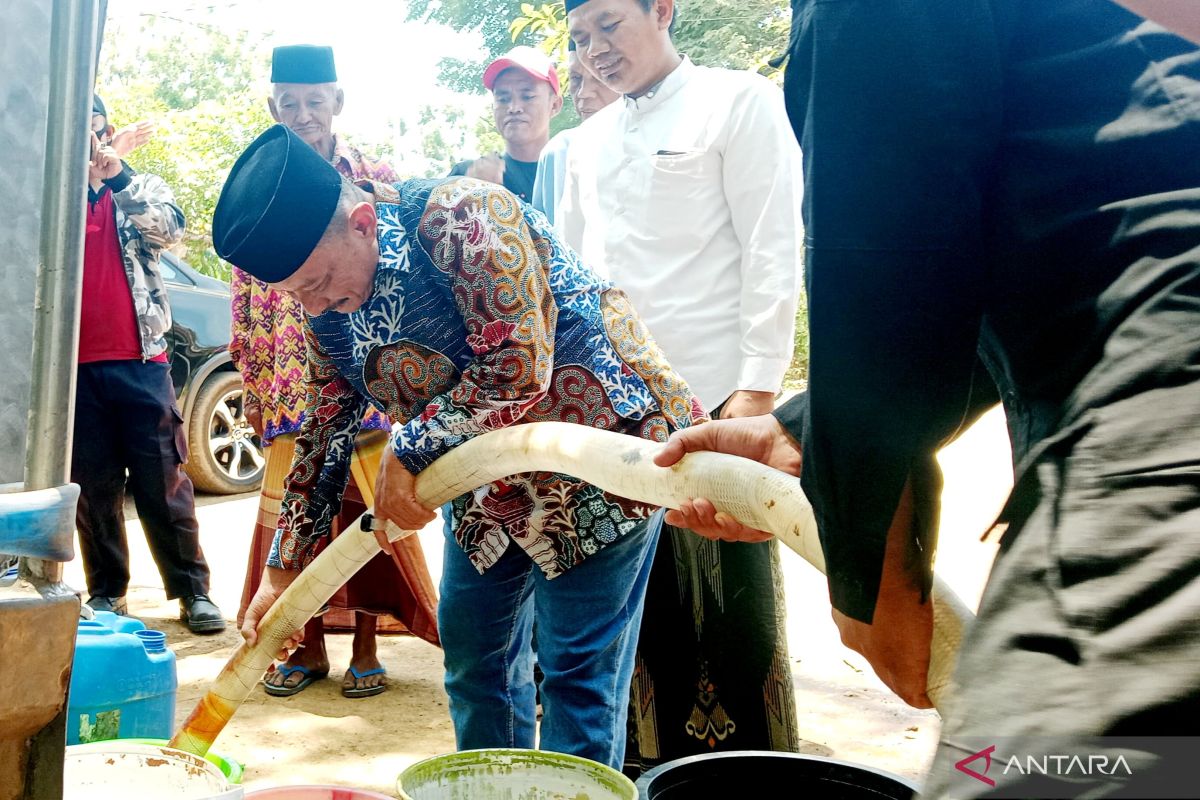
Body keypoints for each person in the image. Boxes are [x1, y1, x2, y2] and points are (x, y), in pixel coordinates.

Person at [657, 2, 1200, 796]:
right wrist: (803, 432)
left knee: (1026, 774)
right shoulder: (1101, 62)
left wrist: (871, 571)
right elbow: (1030, 273)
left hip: (1160, 429)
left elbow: (890, 268)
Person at [220, 124, 705, 770]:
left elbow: (518, 365)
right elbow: (325, 432)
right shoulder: (322, 312)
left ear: (363, 222)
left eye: (320, 279)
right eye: (298, 295)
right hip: (477, 483)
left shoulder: (461, 218)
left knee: (575, 682)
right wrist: (284, 572)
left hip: (593, 451)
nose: (317, 304)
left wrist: (409, 448)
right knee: (478, 666)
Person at [561, 0, 804, 773]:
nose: (595, 49)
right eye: (579, 37)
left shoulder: (740, 103)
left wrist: (757, 394)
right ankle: (645, 778)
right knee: (637, 629)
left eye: (608, 24)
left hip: (718, 413)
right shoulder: (581, 144)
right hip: (617, 430)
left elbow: (773, 247)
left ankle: (755, 779)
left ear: (661, 9)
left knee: (734, 614)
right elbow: (574, 281)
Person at [231, 44, 440, 700]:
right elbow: (247, 302)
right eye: (287, 103)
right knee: (302, 507)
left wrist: (419, 432)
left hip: (379, 383)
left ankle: (369, 646)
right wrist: (256, 384)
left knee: (370, 509)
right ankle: (306, 644)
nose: (301, 114)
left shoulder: (380, 181)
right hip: (296, 387)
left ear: (336, 103)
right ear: (273, 107)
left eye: (313, 102)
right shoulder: (258, 193)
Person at [74, 94, 224, 634]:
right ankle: (107, 594)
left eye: (91, 127)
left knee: (164, 480)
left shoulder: (136, 187)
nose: (85, 139)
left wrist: (118, 176)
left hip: (141, 360)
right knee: (93, 490)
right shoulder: (51, 195)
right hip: (73, 371)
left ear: (105, 130)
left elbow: (171, 229)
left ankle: (192, 593)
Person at [449, 46, 562, 203]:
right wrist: (470, 198)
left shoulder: (574, 175)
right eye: (503, 99)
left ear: (555, 105)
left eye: (527, 96)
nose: (514, 108)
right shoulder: (465, 177)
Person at [530, 40, 619, 226]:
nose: (584, 93)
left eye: (599, 77)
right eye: (576, 79)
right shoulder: (558, 153)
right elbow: (543, 246)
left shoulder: (657, 142)